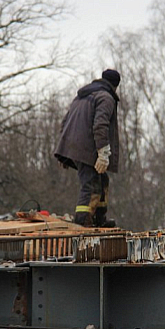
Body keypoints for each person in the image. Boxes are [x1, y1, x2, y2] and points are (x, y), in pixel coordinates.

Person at [55, 69, 120, 227]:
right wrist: (103, 153)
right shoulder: (106, 98)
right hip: (87, 148)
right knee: (90, 185)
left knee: (102, 179)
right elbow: (100, 125)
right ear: (115, 86)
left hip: (74, 146)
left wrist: (66, 151)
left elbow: (65, 122)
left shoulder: (81, 96)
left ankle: (99, 219)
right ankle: (83, 222)